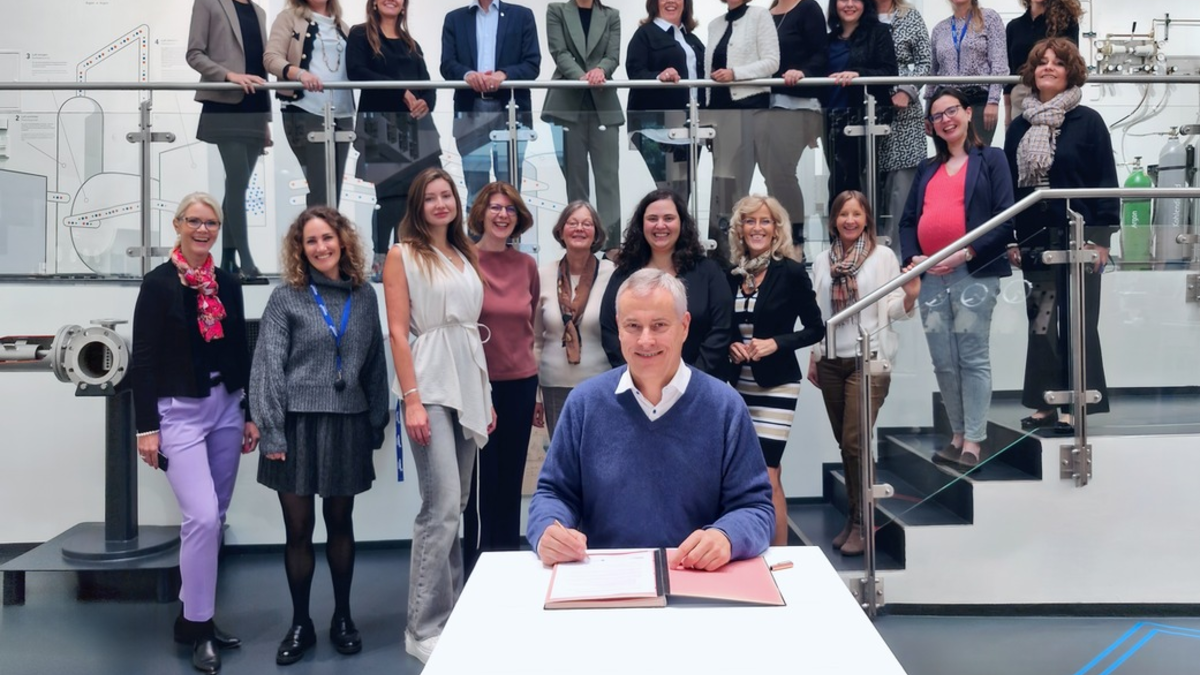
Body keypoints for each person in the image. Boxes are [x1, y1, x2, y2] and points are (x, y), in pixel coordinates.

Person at [529, 268, 774, 569]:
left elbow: (756, 507)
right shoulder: (585, 403)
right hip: (606, 579)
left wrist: (726, 536)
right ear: (618, 327)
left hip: (700, 580)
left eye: (659, 325)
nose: (645, 340)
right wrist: (547, 530)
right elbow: (553, 493)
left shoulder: (724, 407)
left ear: (684, 327)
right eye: (633, 325)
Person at [250, 206, 388, 665]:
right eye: (311, 241)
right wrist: (271, 430)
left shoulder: (364, 295)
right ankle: (300, 623)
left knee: (342, 524)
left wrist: (376, 420)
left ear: (342, 241)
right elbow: (267, 367)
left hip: (347, 421)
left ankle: (343, 618)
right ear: (300, 249)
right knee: (298, 531)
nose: (321, 247)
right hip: (295, 425)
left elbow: (373, 362)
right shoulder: (286, 297)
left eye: (327, 238)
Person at [130, 192, 259, 675]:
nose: (203, 230)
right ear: (178, 224)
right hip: (178, 412)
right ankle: (200, 628)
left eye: (211, 223)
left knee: (215, 518)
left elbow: (238, 351)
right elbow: (143, 360)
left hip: (226, 407)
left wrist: (247, 412)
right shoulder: (159, 285)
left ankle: (192, 616)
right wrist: (147, 427)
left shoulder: (227, 282)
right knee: (201, 518)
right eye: (194, 222)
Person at [382, 167, 495, 665]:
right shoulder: (402, 254)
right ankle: (421, 626)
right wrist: (410, 398)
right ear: (417, 205)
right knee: (442, 504)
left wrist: (485, 396)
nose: (441, 203)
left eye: (447, 195)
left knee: (458, 504)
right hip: (427, 382)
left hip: (467, 380)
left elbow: (472, 329)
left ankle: (447, 617)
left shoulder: (464, 253)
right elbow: (398, 332)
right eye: (431, 197)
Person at [1004, 37, 1116, 434]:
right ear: (1032, 72)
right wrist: (1012, 239)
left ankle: (1075, 402)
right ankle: (1044, 402)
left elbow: (1106, 182)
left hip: (1080, 241)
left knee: (1078, 323)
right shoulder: (1019, 126)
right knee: (1041, 323)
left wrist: (1101, 239)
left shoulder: (1089, 122)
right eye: (1041, 63)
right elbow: (1011, 192)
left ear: (1071, 72)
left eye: (1057, 63)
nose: (1048, 68)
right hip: (1036, 242)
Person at [899, 87, 1015, 469]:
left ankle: (974, 442)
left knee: (971, 357)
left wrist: (967, 251)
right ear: (930, 126)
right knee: (943, 361)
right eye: (936, 116)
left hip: (973, 273)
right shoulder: (926, 169)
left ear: (968, 113)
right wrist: (913, 258)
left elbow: (1004, 218)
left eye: (951, 111)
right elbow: (908, 221)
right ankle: (957, 434)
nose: (945, 120)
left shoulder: (992, 159)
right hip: (930, 277)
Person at [809, 190, 918, 556]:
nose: (850, 221)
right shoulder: (823, 261)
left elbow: (892, 310)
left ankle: (863, 522)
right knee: (847, 444)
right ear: (834, 221)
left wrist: (910, 296)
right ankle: (855, 517)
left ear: (867, 218)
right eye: (843, 215)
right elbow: (819, 315)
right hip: (830, 363)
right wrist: (814, 354)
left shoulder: (882, 256)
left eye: (857, 214)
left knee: (856, 441)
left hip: (868, 361)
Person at [725, 195, 825, 545]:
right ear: (740, 229)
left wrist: (775, 343)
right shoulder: (732, 273)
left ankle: (781, 556)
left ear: (776, 228)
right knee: (757, 474)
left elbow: (816, 329)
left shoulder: (792, 272)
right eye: (750, 221)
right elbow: (725, 328)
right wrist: (730, 347)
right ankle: (765, 549)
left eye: (764, 221)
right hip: (739, 386)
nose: (757, 228)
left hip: (777, 386)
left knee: (767, 474)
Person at [462, 182, 540, 575]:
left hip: (521, 384)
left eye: (510, 209)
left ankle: (506, 570)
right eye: (495, 208)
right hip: (477, 386)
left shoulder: (526, 266)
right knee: (479, 486)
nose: (502, 215)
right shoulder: (465, 261)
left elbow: (533, 326)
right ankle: (476, 568)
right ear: (481, 213)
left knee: (511, 483)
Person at [347, 0, 441, 278]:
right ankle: (381, 257)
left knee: (424, 193)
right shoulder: (360, 34)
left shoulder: (410, 42)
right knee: (388, 198)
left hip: (416, 128)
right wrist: (401, 91)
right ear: (374, 3)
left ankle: (415, 255)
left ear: (404, 6)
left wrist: (426, 102)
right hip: (380, 125)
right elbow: (357, 72)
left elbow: (427, 84)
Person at [600, 188, 733, 377]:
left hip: (699, 385)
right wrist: (639, 376)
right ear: (641, 224)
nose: (660, 225)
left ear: (682, 224)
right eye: (652, 219)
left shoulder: (709, 272)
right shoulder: (624, 274)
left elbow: (721, 329)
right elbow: (610, 330)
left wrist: (691, 379)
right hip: (638, 386)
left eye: (668, 218)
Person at [187, 0, 271, 280]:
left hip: (255, 107)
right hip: (225, 103)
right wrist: (228, 75)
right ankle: (246, 260)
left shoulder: (258, 12)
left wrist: (267, 120)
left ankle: (227, 259)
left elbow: (262, 69)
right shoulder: (209, 3)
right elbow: (194, 54)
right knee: (237, 179)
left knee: (238, 184)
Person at [441, 0, 541, 206]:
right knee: (475, 192)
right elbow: (447, 64)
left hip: (511, 111)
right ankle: (474, 240)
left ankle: (511, 240)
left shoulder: (522, 16)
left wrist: (504, 75)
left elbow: (532, 65)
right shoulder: (454, 19)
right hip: (470, 110)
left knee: (509, 191)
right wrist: (467, 75)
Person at [703, 0, 780, 262]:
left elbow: (772, 62)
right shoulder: (714, 25)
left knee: (753, 183)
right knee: (723, 187)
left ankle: (761, 252)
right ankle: (722, 255)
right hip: (720, 115)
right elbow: (707, 75)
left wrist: (735, 73)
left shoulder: (759, 15)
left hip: (752, 111)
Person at [543, 0, 624, 246]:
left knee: (608, 177)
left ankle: (611, 246)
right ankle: (578, 242)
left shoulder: (611, 15)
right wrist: (581, 76)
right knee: (575, 178)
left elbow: (613, 56)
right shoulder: (556, 10)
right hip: (568, 103)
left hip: (603, 103)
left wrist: (600, 70)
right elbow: (560, 52)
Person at [533, 201, 616, 437]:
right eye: (572, 223)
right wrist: (535, 395)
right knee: (563, 463)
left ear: (596, 233)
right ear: (561, 231)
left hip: (601, 384)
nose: (579, 228)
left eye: (586, 224)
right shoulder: (542, 274)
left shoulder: (613, 274)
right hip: (554, 386)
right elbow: (536, 340)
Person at [264, 0, 354, 210]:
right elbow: (271, 58)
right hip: (305, 111)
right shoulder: (288, 18)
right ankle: (316, 238)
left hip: (342, 115)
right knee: (321, 189)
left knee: (334, 189)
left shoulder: (342, 26)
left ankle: (324, 236)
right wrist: (299, 73)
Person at [754, 0, 826, 247]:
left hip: (799, 104)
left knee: (782, 173)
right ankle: (779, 239)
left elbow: (821, 54)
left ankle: (795, 241)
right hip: (765, 105)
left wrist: (803, 72)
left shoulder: (808, 8)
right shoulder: (764, 14)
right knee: (771, 177)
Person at [625, 0, 706, 204]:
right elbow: (635, 72)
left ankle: (681, 234)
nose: (671, 1)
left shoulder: (692, 39)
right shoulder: (644, 35)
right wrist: (658, 76)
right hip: (656, 128)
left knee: (682, 192)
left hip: (691, 127)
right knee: (664, 192)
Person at [822, 0, 897, 203]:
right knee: (837, 181)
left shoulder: (878, 32)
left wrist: (858, 74)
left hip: (863, 117)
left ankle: (861, 234)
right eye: (843, 0)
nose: (849, 5)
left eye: (856, 0)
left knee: (853, 183)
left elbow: (890, 72)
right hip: (831, 118)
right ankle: (838, 235)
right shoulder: (828, 40)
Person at [875, 0, 930, 254]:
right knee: (872, 190)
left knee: (902, 193)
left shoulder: (911, 16)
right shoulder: (861, 15)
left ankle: (899, 261)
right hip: (869, 113)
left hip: (904, 114)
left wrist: (907, 91)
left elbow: (924, 62)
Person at [927, 0, 1008, 146]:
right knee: (949, 159)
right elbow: (933, 72)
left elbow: (999, 62)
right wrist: (928, 112)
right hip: (946, 105)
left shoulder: (989, 18)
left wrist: (993, 101)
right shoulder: (940, 29)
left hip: (977, 102)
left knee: (976, 157)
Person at [1004, 0, 1081, 123]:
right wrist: (1007, 113)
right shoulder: (1014, 26)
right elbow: (1008, 70)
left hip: (1055, 93)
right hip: (1021, 93)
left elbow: (1072, 63)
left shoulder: (1066, 24)